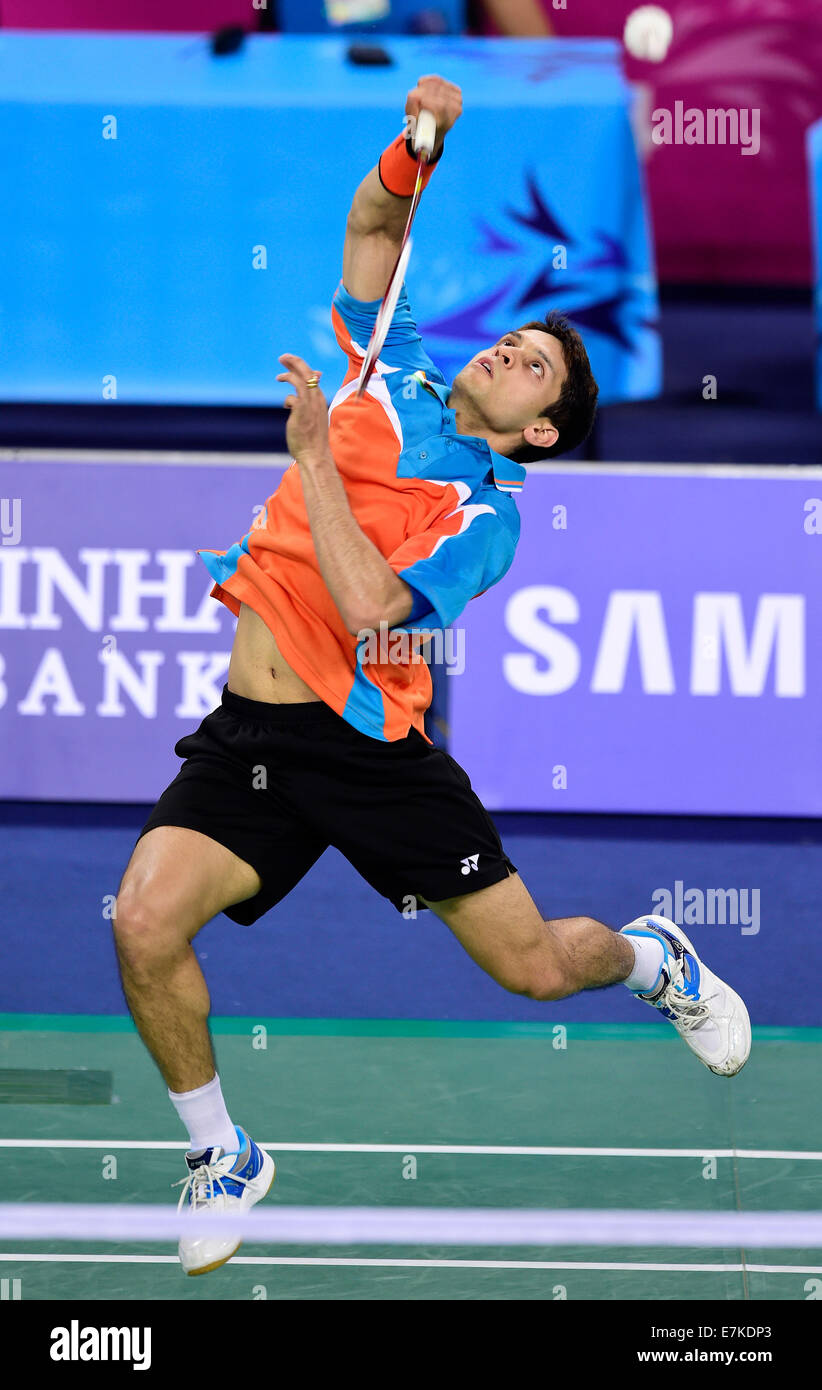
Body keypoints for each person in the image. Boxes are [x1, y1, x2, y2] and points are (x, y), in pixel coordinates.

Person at [113, 73, 750, 1277]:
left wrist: (308, 467)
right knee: (142, 919)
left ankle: (655, 956)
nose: (513, 350)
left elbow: (367, 606)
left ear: (542, 431)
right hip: (249, 738)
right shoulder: (387, 367)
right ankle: (222, 1152)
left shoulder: (486, 516)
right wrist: (421, 150)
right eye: (516, 340)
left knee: (535, 967)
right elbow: (371, 229)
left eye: (536, 369)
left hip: (368, 756)